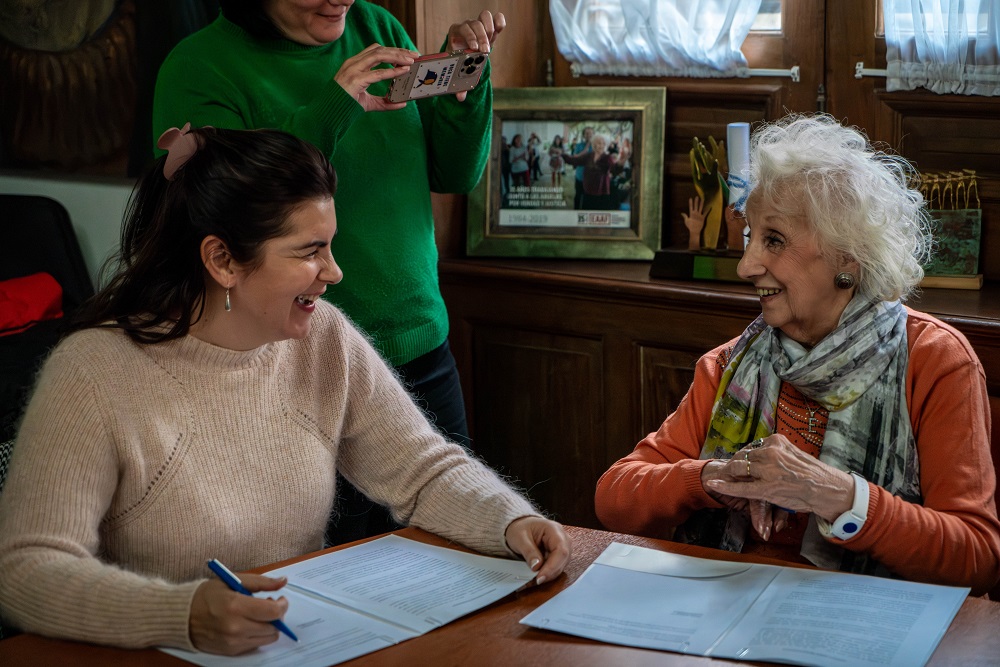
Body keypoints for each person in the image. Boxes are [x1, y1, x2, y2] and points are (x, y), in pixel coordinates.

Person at [0, 126, 571, 655]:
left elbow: (420, 469)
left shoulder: (321, 337)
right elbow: (24, 568)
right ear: (221, 259)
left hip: (295, 648)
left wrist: (509, 521)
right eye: (309, 251)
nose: (334, 271)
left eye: (329, 245)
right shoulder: (93, 372)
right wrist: (181, 613)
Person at [595, 114, 1000, 595]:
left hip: (863, 618)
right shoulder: (730, 365)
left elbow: (975, 557)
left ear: (847, 257)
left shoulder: (935, 361)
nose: (747, 266)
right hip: (726, 609)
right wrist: (714, 477)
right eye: (750, 237)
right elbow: (614, 496)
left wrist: (835, 495)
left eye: (775, 240)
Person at [152, 0, 505, 543]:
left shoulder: (376, 27)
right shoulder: (198, 66)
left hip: (422, 353)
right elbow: (221, 215)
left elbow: (455, 173)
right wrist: (333, 107)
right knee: (328, 579)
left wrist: (464, 84)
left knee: (455, 555)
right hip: (295, 373)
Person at [561, 134, 628, 211]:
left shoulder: (607, 158)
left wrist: (622, 162)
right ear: (594, 144)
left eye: (603, 143)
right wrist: (562, 155)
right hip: (588, 192)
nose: (602, 145)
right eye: (599, 143)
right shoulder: (589, 156)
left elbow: (614, 169)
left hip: (602, 194)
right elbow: (574, 161)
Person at [568, 126, 594, 209]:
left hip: (591, 178)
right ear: (583, 135)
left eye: (590, 133)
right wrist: (586, 147)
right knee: (578, 197)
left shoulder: (596, 146)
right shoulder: (579, 146)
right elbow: (575, 158)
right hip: (580, 177)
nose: (589, 135)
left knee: (588, 199)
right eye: (586, 133)